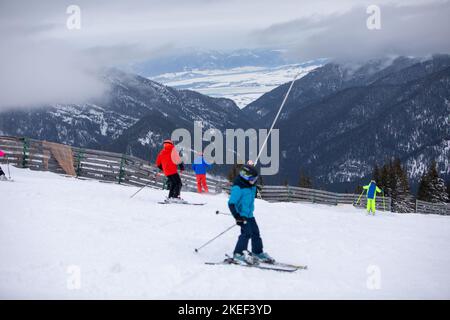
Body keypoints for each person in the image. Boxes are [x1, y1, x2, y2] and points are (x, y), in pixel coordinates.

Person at [228, 163, 273, 264]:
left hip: (250, 215)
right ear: (245, 177)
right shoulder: (238, 188)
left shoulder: (250, 185)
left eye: (255, 179)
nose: (254, 182)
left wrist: (256, 190)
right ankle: (238, 254)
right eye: (252, 179)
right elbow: (231, 203)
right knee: (246, 233)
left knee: (255, 233)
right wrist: (237, 216)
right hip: (242, 216)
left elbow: (252, 192)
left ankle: (257, 252)